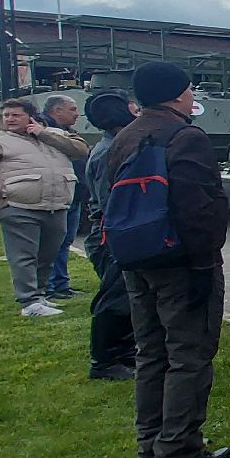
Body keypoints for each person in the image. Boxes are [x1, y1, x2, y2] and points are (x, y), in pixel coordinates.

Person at [105, 62, 230, 458]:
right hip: (180, 262)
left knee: (151, 352)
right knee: (189, 356)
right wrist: (202, 265)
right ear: (177, 95)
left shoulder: (126, 135)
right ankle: (178, 453)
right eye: (190, 90)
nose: (193, 97)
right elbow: (196, 208)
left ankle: (150, 443)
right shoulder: (186, 136)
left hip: (136, 258)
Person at [0, 97, 89, 317]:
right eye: (6, 115)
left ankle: (41, 295)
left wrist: (42, 133)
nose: (10, 119)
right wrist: (0, 204)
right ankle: (29, 301)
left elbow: (80, 150)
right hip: (19, 207)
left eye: (16, 115)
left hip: (56, 206)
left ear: (30, 117)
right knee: (24, 256)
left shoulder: (54, 135)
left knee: (48, 253)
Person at [81, 91, 139, 381]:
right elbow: (110, 202)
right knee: (115, 300)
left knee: (127, 299)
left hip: (116, 231)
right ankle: (104, 361)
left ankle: (125, 353)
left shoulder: (114, 145)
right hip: (111, 234)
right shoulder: (108, 152)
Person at [41, 95, 87, 301]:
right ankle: (48, 286)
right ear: (56, 111)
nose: (77, 114)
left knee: (65, 241)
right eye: (72, 109)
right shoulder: (40, 132)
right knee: (51, 243)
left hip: (73, 193)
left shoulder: (69, 133)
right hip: (55, 195)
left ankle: (61, 283)